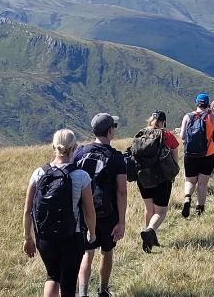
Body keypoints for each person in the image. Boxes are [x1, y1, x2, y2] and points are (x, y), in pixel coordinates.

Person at [23, 129, 97, 297]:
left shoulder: (39, 173)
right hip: (72, 235)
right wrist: (92, 234)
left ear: (53, 147)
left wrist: (27, 238)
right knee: (68, 285)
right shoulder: (81, 176)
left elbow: (27, 210)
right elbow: (89, 212)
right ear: (74, 148)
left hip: (45, 236)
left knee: (52, 276)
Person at [74, 113, 128, 297]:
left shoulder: (79, 152)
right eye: (114, 127)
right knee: (107, 252)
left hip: (83, 212)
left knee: (87, 254)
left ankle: (82, 293)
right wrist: (121, 221)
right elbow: (122, 191)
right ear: (109, 131)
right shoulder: (116, 158)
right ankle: (103, 291)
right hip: (107, 214)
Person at [132, 110, 180, 252]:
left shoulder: (140, 134)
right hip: (161, 178)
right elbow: (175, 158)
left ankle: (150, 240)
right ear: (163, 122)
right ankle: (150, 231)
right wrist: (173, 173)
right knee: (161, 211)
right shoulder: (167, 135)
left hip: (142, 177)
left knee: (149, 209)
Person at [180, 93, 214, 217]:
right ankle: (199, 209)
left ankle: (187, 197)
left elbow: (182, 137)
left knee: (190, 180)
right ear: (207, 104)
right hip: (208, 155)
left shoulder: (187, 117)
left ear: (196, 103)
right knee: (202, 183)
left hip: (190, 154)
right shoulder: (212, 118)